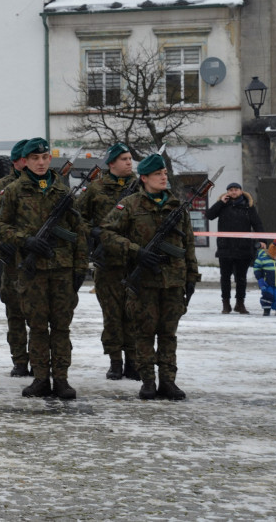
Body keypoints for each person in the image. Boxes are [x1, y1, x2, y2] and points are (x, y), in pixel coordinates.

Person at [0, 137, 87, 400]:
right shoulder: (13, 191)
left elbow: (79, 233)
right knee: (36, 327)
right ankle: (41, 378)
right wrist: (25, 240)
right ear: (26, 162)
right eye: (36, 158)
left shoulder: (62, 192)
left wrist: (79, 269)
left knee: (61, 328)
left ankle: (62, 379)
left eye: (45, 158)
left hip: (61, 270)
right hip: (31, 271)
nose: (42, 162)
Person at [100, 153, 200, 401]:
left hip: (173, 281)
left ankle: (168, 381)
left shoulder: (176, 206)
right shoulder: (131, 205)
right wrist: (136, 251)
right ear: (144, 178)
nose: (163, 177)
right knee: (143, 333)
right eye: (158, 174)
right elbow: (107, 233)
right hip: (144, 280)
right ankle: (147, 381)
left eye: (164, 173)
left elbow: (187, 244)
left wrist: (191, 276)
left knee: (168, 334)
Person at [76, 142, 140, 381]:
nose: (128, 162)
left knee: (133, 314)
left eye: (130, 158)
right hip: (107, 262)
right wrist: (92, 233)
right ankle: (115, 361)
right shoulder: (96, 188)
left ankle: (134, 361)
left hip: (134, 261)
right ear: (111, 163)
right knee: (112, 315)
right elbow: (77, 216)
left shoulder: (139, 186)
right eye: (123, 158)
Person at [0, 139, 31, 378]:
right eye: (27, 158)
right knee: (15, 315)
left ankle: (39, 360)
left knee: (38, 316)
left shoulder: (45, 186)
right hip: (12, 263)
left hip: (37, 261)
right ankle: (20, 360)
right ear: (16, 161)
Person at [206, 182, 264, 314]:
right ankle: (226, 304)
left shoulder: (248, 206)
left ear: (241, 191)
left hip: (243, 248)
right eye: (230, 190)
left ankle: (240, 303)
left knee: (241, 278)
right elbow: (209, 215)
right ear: (227, 192)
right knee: (225, 278)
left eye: (236, 190)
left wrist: (262, 240)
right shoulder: (223, 205)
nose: (233, 192)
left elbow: (257, 224)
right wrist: (220, 202)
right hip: (225, 247)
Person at [254, 240, 276, 316]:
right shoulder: (262, 259)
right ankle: (266, 309)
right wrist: (260, 279)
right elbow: (256, 269)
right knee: (267, 295)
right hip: (267, 282)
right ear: (272, 252)